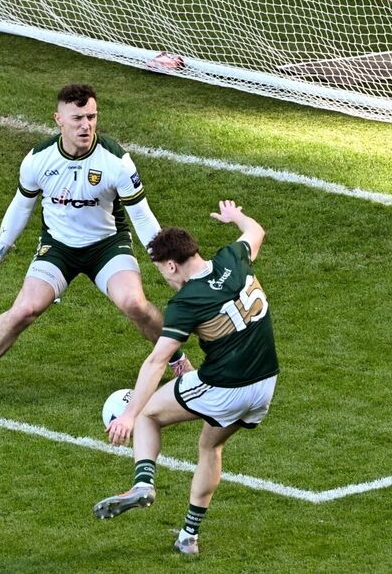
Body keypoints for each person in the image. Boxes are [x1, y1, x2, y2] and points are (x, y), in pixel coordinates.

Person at [0, 84, 192, 406]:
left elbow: (141, 217)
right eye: (77, 119)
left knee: (135, 304)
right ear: (58, 120)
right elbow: (20, 209)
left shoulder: (116, 162)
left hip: (106, 246)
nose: (86, 126)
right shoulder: (38, 160)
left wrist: (165, 262)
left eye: (91, 117)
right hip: (58, 247)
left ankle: (177, 361)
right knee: (24, 310)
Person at [93, 200, 278, 557]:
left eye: (163, 272)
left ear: (172, 264)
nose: (166, 280)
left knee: (148, 414)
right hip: (264, 385)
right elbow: (255, 231)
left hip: (225, 386)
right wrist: (236, 217)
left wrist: (129, 415)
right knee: (210, 446)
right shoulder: (232, 258)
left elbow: (156, 361)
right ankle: (188, 537)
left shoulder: (187, 301)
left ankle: (142, 483)